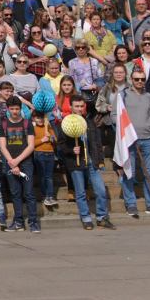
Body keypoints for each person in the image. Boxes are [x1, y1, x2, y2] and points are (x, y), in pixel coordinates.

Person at [57, 95, 115, 230]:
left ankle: (101, 217)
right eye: (76, 106)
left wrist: (100, 160)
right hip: (76, 163)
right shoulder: (66, 122)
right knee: (81, 192)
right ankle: (86, 217)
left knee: (100, 190)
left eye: (81, 106)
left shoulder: (89, 122)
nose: (79, 109)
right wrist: (72, 150)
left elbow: (97, 142)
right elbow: (60, 145)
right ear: (71, 107)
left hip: (91, 162)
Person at [118, 71, 150, 218]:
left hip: (148, 137)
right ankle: (131, 204)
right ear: (131, 79)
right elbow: (116, 115)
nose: (139, 81)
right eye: (136, 79)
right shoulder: (124, 95)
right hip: (130, 139)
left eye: (142, 79)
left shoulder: (149, 96)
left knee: (148, 172)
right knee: (128, 172)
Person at [0, 96, 39, 233]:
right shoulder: (3, 124)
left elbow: (31, 145)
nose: (15, 111)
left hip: (26, 163)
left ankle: (33, 222)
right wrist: (12, 162)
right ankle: (18, 222)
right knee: (15, 193)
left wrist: (18, 161)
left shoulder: (27, 124)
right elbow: (2, 146)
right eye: (12, 109)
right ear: (8, 109)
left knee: (29, 193)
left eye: (17, 108)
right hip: (10, 163)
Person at [31, 107, 58, 209]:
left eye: (42, 118)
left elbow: (55, 140)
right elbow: (31, 144)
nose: (40, 120)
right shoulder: (32, 128)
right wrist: (42, 140)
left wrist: (50, 138)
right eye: (37, 118)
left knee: (49, 176)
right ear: (33, 119)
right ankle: (44, 195)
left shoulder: (48, 127)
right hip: (39, 154)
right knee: (42, 176)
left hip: (50, 154)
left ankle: (50, 196)